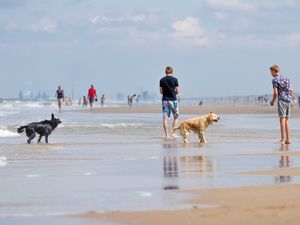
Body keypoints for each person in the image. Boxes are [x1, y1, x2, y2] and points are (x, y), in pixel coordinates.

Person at [269, 64, 293, 145]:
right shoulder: (286, 78)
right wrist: (289, 97)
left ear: (273, 71)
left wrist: (272, 101)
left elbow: (275, 93)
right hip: (288, 100)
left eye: (271, 72)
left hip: (282, 100)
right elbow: (291, 89)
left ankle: (282, 139)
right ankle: (288, 139)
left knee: (282, 120)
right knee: (286, 120)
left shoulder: (275, 80)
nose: (270, 74)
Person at [159, 66, 180, 139]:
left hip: (165, 100)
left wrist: (166, 94)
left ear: (165, 72)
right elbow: (177, 90)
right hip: (173, 100)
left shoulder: (161, 80)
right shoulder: (175, 79)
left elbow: (161, 91)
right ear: (172, 71)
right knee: (176, 116)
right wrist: (173, 94)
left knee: (165, 118)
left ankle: (167, 135)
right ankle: (173, 133)